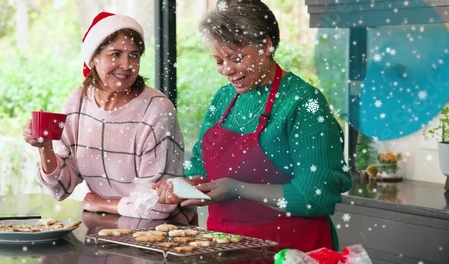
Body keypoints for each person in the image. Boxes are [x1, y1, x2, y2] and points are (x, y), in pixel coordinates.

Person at [154, 0, 352, 252]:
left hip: (290, 252)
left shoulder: (304, 103)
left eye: (236, 58)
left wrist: (238, 189)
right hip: (223, 250)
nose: (226, 70)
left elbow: (316, 197)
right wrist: (184, 185)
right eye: (218, 60)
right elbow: (202, 166)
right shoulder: (223, 99)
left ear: (267, 45)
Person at [23, 11, 195, 222]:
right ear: (94, 58)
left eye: (134, 55)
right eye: (115, 54)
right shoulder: (78, 102)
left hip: (161, 232)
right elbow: (60, 189)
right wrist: (45, 147)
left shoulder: (157, 110)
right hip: (106, 229)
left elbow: (158, 202)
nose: (126, 65)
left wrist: (104, 203)